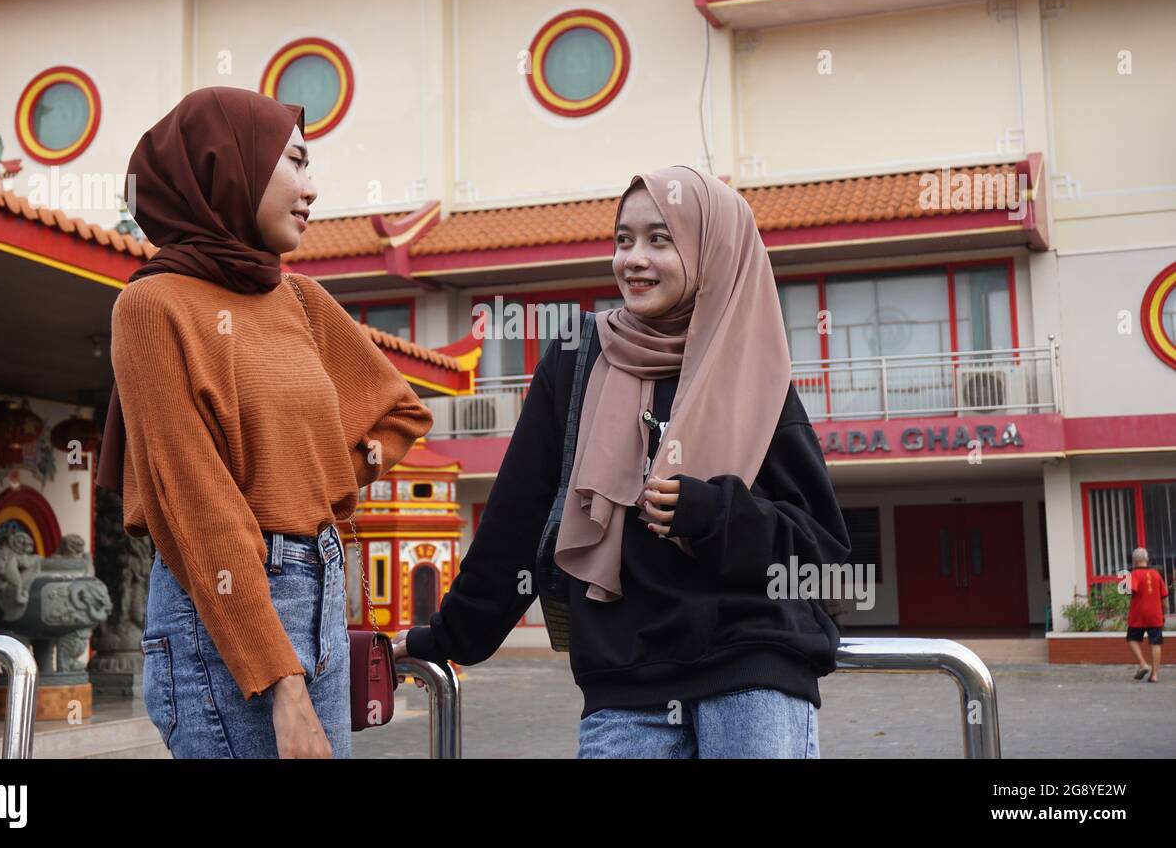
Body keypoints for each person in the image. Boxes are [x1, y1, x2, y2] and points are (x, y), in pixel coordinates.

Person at [395, 166, 851, 758]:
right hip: (624, 685)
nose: (633, 259)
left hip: (752, 671)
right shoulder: (573, 361)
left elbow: (823, 555)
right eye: (623, 240)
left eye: (660, 240)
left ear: (709, 251)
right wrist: (446, 637)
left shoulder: (756, 375)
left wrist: (714, 513)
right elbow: (516, 520)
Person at [98, 87, 432, 758]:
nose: (311, 189)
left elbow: (400, 412)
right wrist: (282, 684)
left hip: (322, 584)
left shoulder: (299, 298)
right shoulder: (152, 306)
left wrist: (316, 478)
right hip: (222, 611)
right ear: (231, 164)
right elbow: (197, 509)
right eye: (295, 162)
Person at [1124, 547, 1167, 683]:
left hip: (1138, 615)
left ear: (1135, 560)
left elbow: (1127, 592)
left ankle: (1143, 664)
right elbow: (1164, 597)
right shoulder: (1156, 574)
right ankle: (1154, 676)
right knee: (1156, 643)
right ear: (1146, 559)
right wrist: (1163, 613)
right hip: (1155, 614)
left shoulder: (1133, 574)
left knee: (1131, 639)